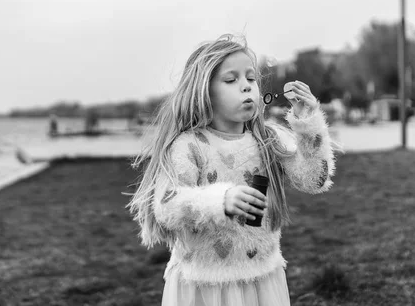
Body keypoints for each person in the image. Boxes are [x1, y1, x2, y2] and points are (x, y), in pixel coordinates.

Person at [127, 34, 338, 306]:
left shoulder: (268, 139)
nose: (247, 87)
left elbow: (315, 179)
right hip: (204, 284)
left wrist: (308, 121)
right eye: (231, 80)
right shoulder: (190, 146)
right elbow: (167, 206)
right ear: (204, 91)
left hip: (261, 279)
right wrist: (221, 201)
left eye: (251, 79)